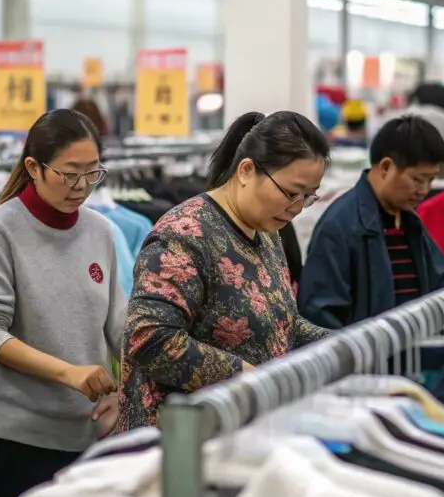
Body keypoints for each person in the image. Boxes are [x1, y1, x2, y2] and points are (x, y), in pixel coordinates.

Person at [115, 111, 331, 431]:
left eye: (308, 197)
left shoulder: (267, 233)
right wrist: (244, 375)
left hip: (238, 428)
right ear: (246, 171)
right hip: (175, 442)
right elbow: (149, 337)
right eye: (290, 193)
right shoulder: (184, 234)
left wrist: (344, 343)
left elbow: (281, 322)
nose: (297, 207)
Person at [0, 109, 127, 497]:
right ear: (33, 167)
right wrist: (68, 373)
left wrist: (130, 389)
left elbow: (118, 323)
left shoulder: (100, 230)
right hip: (18, 437)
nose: (82, 185)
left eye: (93, 172)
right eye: (69, 173)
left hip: (90, 432)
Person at [298, 115, 444, 329]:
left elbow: (441, 284)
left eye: (431, 180)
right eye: (417, 179)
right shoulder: (340, 226)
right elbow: (320, 315)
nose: (424, 190)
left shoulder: (411, 224)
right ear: (386, 167)